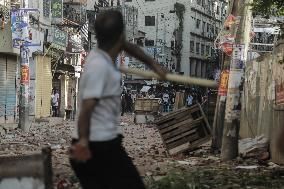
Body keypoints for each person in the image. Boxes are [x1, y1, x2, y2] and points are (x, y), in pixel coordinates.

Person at [69, 10, 166, 189]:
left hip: (102, 144)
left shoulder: (99, 55)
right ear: (120, 36)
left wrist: (153, 64)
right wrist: (83, 142)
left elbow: (128, 47)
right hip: (95, 147)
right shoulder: (100, 67)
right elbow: (87, 108)